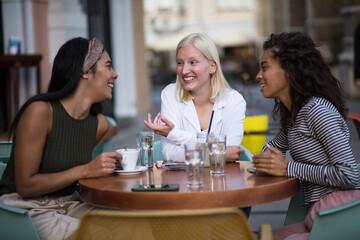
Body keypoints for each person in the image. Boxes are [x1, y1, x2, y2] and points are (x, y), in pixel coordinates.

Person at [0, 37, 121, 239]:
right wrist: (87, 169)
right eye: (108, 66)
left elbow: (70, 171)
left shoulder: (99, 124)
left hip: (69, 203)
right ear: (84, 70)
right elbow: (25, 186)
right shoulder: (40, 112)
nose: (114, 74)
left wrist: (110, 171)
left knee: (131, 222)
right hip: (25, 208)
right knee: (100, 235)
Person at [253, 32, 360, 240]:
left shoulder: (317, 110)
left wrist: (288, 167)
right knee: (265, 237)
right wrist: (262, 159)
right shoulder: (294, 114)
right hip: (317, 216)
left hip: (339, 215)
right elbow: (274, 147)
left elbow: (348, 174)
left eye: (264, 67)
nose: (258, 75)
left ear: (289, 71)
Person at [144, 32, 246, 162]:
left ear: (212, 67)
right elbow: (170, 153)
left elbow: (232, 151)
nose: (184, 70)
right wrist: (217, 152)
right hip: (183, 181)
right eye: (180, 63)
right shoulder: (170, 94)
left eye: (193, 62)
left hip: (221, 180)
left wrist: (174, 134)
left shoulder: (234, 100)